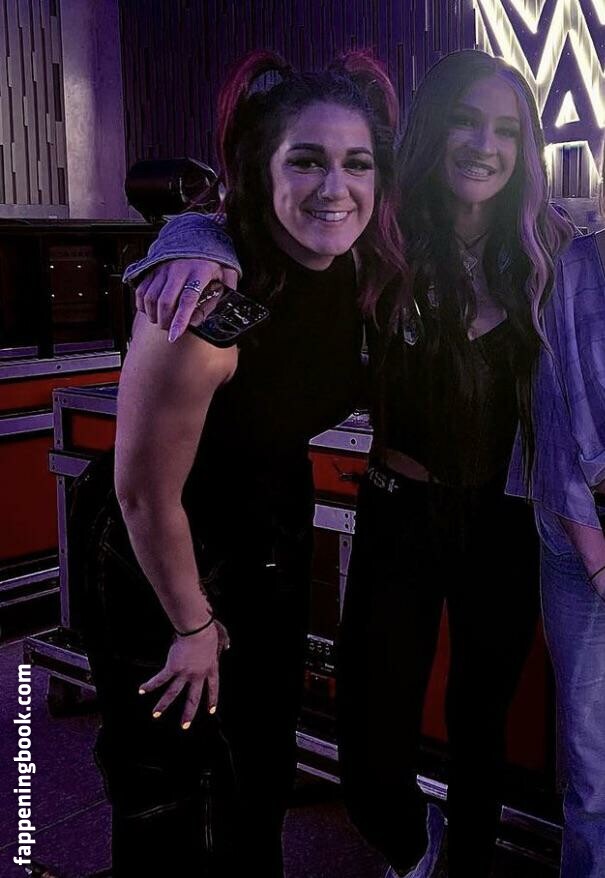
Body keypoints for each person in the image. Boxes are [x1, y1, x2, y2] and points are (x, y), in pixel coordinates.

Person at [130, 50, 572, 878]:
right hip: (397, 509)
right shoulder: (383, 234)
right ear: (432, 130)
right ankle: (410, 844)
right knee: (368, 735)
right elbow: (250, 218)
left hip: (505, 518)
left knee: (481, 723)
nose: (484, 145)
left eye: (506, 131)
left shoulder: (546, 250)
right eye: (465, 123)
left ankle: (465, 862)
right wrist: (186, 241)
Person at [82, 49, 405, 878]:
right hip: (163, 552)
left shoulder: (355, 269)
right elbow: (142, 494)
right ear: (258, 171)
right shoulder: (206, 301)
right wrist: (191, 625)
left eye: (356, 163)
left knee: (256, 771)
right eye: (306, 160)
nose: (335, 187)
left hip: (268, 532)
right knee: (166, 787)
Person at [506, 224, 605, 873]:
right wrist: (599, 560)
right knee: (594, 762)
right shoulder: (570, 266)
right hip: (582, 535)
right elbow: (553, 417)